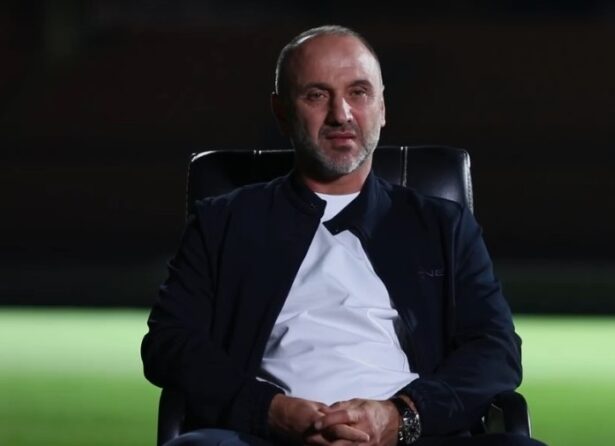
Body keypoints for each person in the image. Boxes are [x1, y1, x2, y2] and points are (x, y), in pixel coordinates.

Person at [142, 25, 544, 446]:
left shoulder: (443, 226)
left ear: (382, 107)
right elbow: (170, 342)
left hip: (409, 435)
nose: (341, 114)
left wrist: (401, 416)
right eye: (317, 95)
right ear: (281, 111)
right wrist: (270, 412)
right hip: (264, 436)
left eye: (358, 92)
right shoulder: (223, 222)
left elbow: (495, 350)